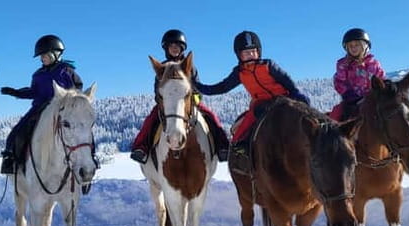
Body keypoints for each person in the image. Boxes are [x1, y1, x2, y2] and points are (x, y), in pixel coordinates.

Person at [194, 31, 310, 158]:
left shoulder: (268, 65)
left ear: (258, 52)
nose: (250, 55)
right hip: (261, 105)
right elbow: (223, 87)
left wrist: (296, 94)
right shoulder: (240, 73)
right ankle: (240, 146)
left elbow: (286, 80)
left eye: (252, 51)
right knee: (243, 127)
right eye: (246, 53)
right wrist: (201, 88)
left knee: (304, 118)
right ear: (239, 55)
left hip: (282, 100)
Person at [130, 29, 230, 163]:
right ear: (166, 48)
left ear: (182, 48)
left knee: (211, 116)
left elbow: (197, 85)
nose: (175, 49)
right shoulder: (162, 68)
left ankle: (222, 145)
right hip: (167, 103)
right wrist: (162, 101)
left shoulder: (189, 67)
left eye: (177, 46)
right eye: (171, 46)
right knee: (151, 120)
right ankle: (141, 147)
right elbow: (157, 89)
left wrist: (196, 97)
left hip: (189, 101)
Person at [0, 34, 83, 174]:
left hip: (60, 109)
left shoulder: (66, 70)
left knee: (82, 130)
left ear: (55, 54)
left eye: (44, 55)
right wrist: (15, 92)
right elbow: (33, 92)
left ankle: (90, 159)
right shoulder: (38, 74)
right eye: (41, 56)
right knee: (18, 130)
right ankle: (10, 159)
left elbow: (78, 88)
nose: (41, 58)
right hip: (39, 108)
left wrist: (70, 101)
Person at [328, 27, 385, 121]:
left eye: (356, 45)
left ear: (365, 46)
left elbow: (381, 79)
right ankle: (332, 133)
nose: (353, 48)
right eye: (350, 46)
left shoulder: (374, 64)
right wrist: (347, 93)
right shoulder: (343, 64)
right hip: (351, 101)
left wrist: (379, 91)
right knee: (336, 112)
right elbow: (339, 81)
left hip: (372, 100)